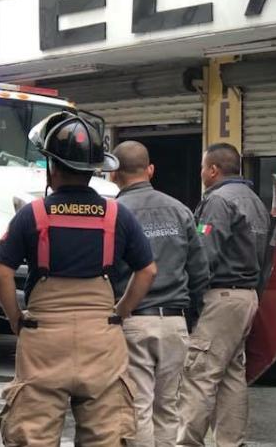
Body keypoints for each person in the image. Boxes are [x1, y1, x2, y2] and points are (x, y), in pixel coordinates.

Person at [0, 112, 157, 447]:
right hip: (102, 341)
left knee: (32, 435)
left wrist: (15, 319)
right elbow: (148, 270)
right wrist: (120, 314)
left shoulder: (32, 214)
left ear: (52, 167)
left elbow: (1, 272)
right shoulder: (116, 214)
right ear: (95, 170)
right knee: (107, 435)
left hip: (43, 341)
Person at [110, 141, 210, 447]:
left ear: (113, 174)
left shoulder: (114, 213)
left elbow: (106, 269)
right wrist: (190, 315)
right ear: (150, 169)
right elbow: (200, 271)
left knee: (137, 407)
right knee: (168, 410)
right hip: (175, 324)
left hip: (134, 321)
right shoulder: (179, 209)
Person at [177, 142, 270, 447]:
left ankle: (187, 442)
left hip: (221, 298)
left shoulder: (218, 201)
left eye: (204, 167)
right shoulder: (255, 201)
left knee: (200, 374)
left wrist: (190, 298)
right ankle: (231, 442)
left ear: (213, 170)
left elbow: (204, 254)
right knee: (231, 376)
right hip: (246, 298)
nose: (202, 173)